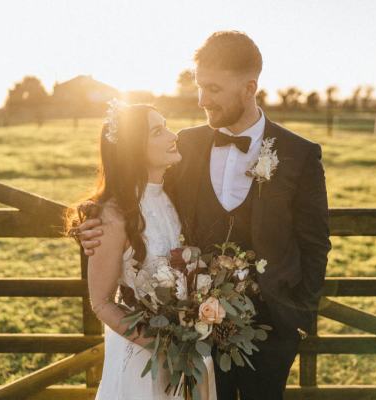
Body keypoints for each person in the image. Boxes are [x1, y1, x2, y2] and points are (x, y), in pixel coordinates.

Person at [78, 31, 331, 400]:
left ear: (249, 88)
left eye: (213, 89)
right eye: (199, 86)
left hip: (271, 333)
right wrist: (89, 223)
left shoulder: (300, 155)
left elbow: (315, 243)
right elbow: (134, 198)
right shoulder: (187, 145)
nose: (201, 100)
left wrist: (296, 317)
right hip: (194, 338)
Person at [67, 102, 217, 399]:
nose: (173, 135)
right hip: (142, 356)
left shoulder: (174, 193)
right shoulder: (112, 214)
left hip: (190, 347)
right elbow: (101, 302)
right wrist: (161, 345)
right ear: (134, 149)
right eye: (158, 131)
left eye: (167, 125)